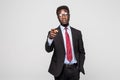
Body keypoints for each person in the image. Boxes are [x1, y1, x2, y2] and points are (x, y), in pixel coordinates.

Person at [45, 5, 86, 80]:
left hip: (75, 70)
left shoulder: (77, 33)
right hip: (60, 70)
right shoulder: (53, 33)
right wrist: (50, 38)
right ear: (58, 17)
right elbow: (48, 49)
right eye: (60, 15)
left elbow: (82, 52)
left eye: (65, 14)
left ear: (69, 15)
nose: (63, 16)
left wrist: (79, 67)